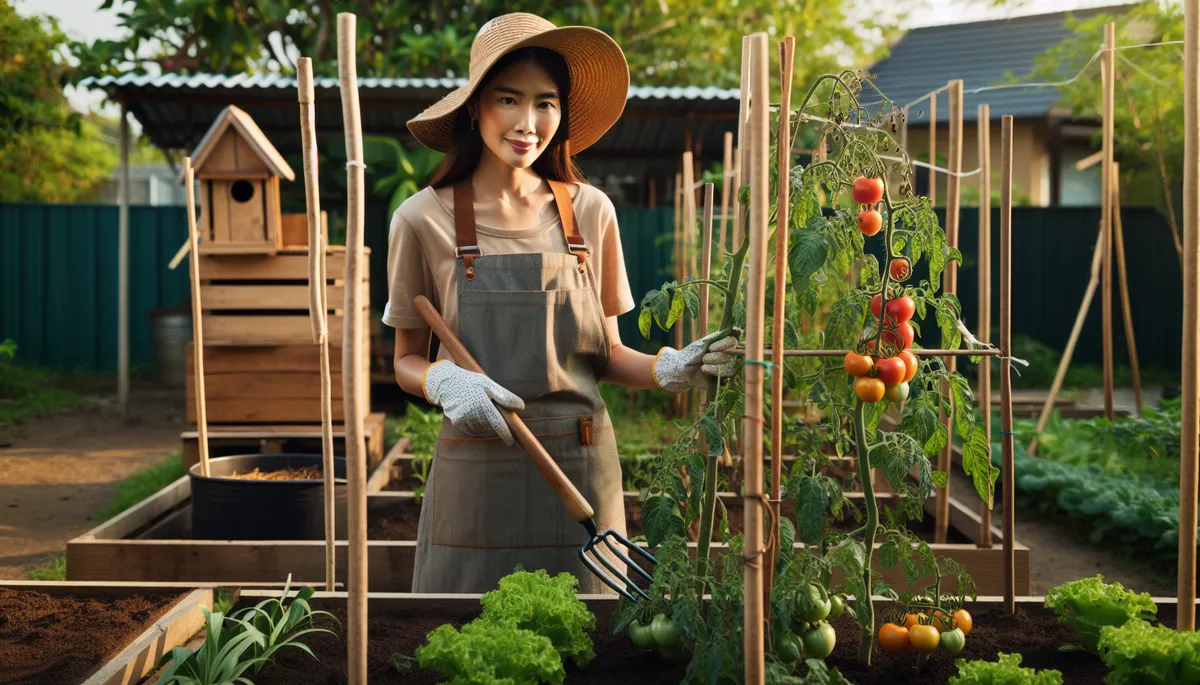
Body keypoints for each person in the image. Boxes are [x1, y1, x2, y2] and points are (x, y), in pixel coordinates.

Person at [383, 12, 739, 595]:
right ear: (474, 109)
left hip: (581, 461)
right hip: (477, 472)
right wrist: (442, 380)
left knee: (594, 633)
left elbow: (607, 354)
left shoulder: (591, 211)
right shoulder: (421, 218)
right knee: (465, 631)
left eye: (545, 103)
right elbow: (404, 360)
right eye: (508, 99)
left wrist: (671, 367)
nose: (528, 123)